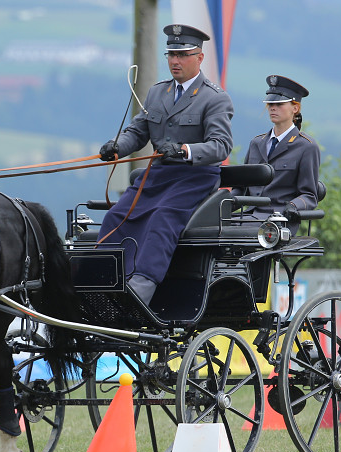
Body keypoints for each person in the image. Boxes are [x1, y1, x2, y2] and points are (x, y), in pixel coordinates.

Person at [98, 24, 233, 305]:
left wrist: (185, 150)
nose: (175, 61)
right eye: (171, 54)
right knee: (115, 216)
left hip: (194, 179)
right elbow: (137, 132)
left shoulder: (214, 98)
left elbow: (221, 146)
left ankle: (140, 288)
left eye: (182, 55)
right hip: (157, 176)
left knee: (162, 217)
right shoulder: (156, 93)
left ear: (199, 57)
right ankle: (102, 282)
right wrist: (116, 147)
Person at [234, 75, 320, 235]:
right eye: (270, 103)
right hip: (247, 218)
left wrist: (293, 207)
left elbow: (309, 195)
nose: (273, 108)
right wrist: (223, 202)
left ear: (295, 108)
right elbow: (241, 188)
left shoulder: (306, 147)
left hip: (278, 221)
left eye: (279, 104)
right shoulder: (256, 143)